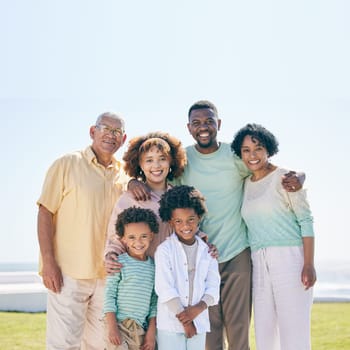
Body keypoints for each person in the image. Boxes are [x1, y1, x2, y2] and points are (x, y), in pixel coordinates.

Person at [130, 100, 304, 350]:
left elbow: (267, 168)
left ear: (218, 124)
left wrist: (299, 175)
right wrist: (132, 182)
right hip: (199, 256)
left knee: (239, 329)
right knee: (209, 334)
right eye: (197, 123)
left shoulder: (235, 157)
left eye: (209, 121)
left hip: (236, 253)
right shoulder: (183, 160)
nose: (204, 127)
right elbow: (155, 175)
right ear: (188, 127)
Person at [37, 112, 129, 349]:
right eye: (105, 129)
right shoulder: (67, 164)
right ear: (92, 132)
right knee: (63, 345)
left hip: (107, 277)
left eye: (117, 132)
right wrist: (48, 262)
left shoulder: (125, 174)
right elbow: (45, 212)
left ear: (123, 138)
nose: (111, 135)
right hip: (68, 274)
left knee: (102, 346)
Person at [231, 123, 316, 350]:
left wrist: (308, 264)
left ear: (268, 149)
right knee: (265, 335)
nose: (253, 155)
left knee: (294, 334)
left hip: (290, 259)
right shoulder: (245, 184)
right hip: (258, 262)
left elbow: (306, 221)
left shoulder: (285, 178)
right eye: (246, 150)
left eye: (258, 148)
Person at [104, 131, 187, 269]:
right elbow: (116, 237)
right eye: (149, 160)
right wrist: (111, 255)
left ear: (171, 161)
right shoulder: (129, 198)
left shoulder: (180, 197)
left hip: (174, 275)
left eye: (162, 158)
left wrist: (205, 245)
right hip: (140, 275)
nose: (156, 165)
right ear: (140, 165)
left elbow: (191, 229)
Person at [155, 185, 221, 350]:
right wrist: (186, 322)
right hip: (170, 324)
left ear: (198, 217)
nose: (185, 226)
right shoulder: (164, 250)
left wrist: (197, 310)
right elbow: (164, 288)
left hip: (199, 321)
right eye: (178, 221)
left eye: (190, 219)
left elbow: (213, 287)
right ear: (171, 221)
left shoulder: (207, 251)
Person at [104, 207, 159, 350]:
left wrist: (151, 332)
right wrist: (112, 327)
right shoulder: (119, 263)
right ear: (123, 239)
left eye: (143, 236)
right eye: (132, 237)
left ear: (151, 236)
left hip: (141, 328)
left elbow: (154, 301)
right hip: (119, 325)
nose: (138, 242)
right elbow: (109, 296)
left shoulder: (154, 266)